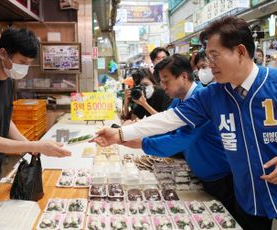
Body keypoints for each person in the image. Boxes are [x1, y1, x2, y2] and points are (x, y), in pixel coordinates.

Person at [94, 16, 277, 230]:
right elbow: (170, 119)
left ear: (240, 52)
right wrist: (121, 134)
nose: (209, 65)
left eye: (214, 56)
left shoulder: (272, 84)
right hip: (247, 197)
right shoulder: (213, 94)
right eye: (207, 57)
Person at [0, 28, 71, 213]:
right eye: (21, 62)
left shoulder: (7, 81)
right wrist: (35, 146)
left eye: (28, 63)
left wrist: (29, 146)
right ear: (3, 53)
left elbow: (6, 121)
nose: (24, 68)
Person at [122, 54, 235, 214]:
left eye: (166, 80)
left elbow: (180, 139)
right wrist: (137, 128)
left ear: (183, 77)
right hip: (203, 176)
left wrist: (141, 142)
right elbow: (164, 125)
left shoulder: (201, 100)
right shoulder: (179, 100)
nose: (162, 86)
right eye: (160, 81)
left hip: (221, 179)